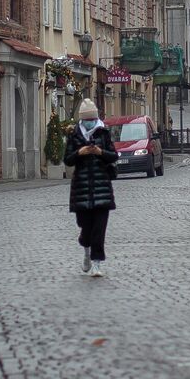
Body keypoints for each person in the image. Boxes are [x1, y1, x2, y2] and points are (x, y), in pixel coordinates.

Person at [63, 98, 117, 277]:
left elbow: (113, 155)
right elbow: (67, 159)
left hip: (102, 189)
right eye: (88, 119)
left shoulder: (103, 133)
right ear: (82, 120)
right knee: (85, 228)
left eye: (93, 119)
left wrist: (100, 152)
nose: (90, 122)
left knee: (99, 230)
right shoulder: (75, 135)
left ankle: (97, 264)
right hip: (81, 190)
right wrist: (80, 152)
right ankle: (86, 251)